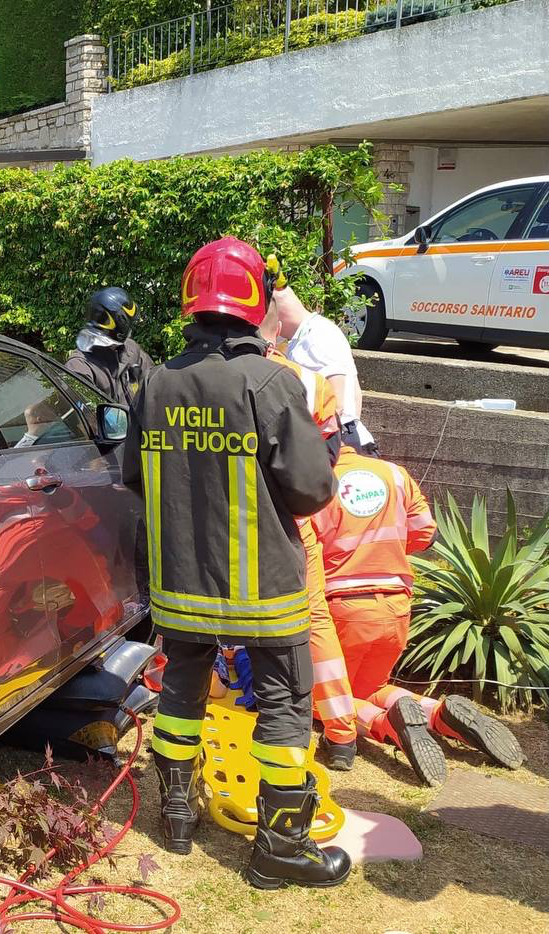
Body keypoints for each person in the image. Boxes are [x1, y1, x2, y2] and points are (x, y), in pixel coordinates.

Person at [122, 237, 349, 889]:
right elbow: (310, 490)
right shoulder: (271, 382)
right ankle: (279, 849)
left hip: (180, 583)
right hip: (264, 591)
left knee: (181, 689)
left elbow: (135, 475)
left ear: (192, 300)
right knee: (283, 702)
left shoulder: (155, 383)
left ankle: (176, 815)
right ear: (253, 302)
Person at [309, 445, 524, 786]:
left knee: (322, 701)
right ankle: (438, 714)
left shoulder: (314, 481)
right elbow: (425, 533)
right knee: (370, 686)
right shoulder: (395, 473)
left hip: (343, 607)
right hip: (396, 604)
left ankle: (386, 725)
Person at [259, 297, 360, 769]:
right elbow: (327, 465)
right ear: (276, 332)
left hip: (221, 524)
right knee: (311, 622)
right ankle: (339, 735)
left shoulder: (195, 379)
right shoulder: (310, 382)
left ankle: (238, 715)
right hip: (295, 525)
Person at [273, 286, 377, 455]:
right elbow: (355, 393)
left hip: (336, 439)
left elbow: (337, 404)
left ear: (277, 313)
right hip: (343, 437)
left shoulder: (315, 337)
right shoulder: (311, 333)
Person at [65, 287, 153, 405]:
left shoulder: (132, 350)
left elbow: (154, 385)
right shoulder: (80, 366)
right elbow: (81, 414)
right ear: (122, 325)